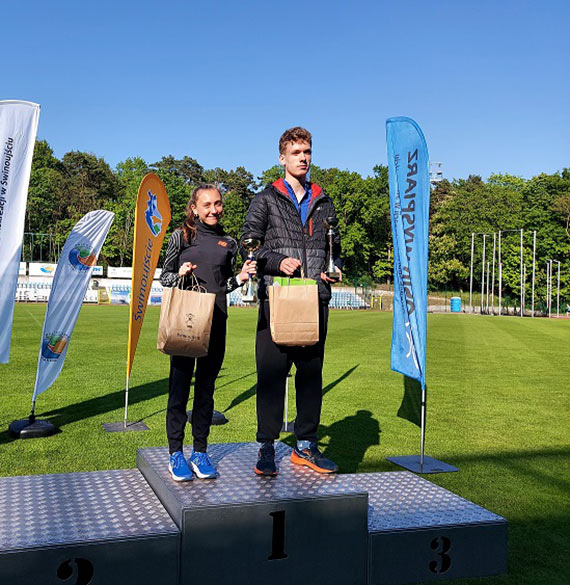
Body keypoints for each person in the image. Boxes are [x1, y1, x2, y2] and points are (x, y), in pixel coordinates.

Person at [241, 127, 342, 476]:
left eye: (308, 151)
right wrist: (274, 261)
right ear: (282, 158)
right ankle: (266, 448)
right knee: (271, 376)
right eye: (296, 152)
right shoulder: (265, 199)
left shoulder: (324, 200)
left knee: (311, 377)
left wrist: (335, 269)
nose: (303, 157)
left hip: (316, 299)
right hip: (278, 299)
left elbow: (335, 249)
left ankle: (305, 446)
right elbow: (249, 242)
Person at [161, 184, 256, 481]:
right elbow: (163, 276)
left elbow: (224, 284)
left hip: (216, 322)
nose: (213, 210)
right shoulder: (181, 236)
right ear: (194, 208)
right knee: (179, 389)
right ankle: (175, 453)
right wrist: (179, 273)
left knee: (206, 391)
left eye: (217, 204)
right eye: (207, 205)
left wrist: (240, 277)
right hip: (186, 322)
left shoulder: (229, 242)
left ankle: (199, 452)